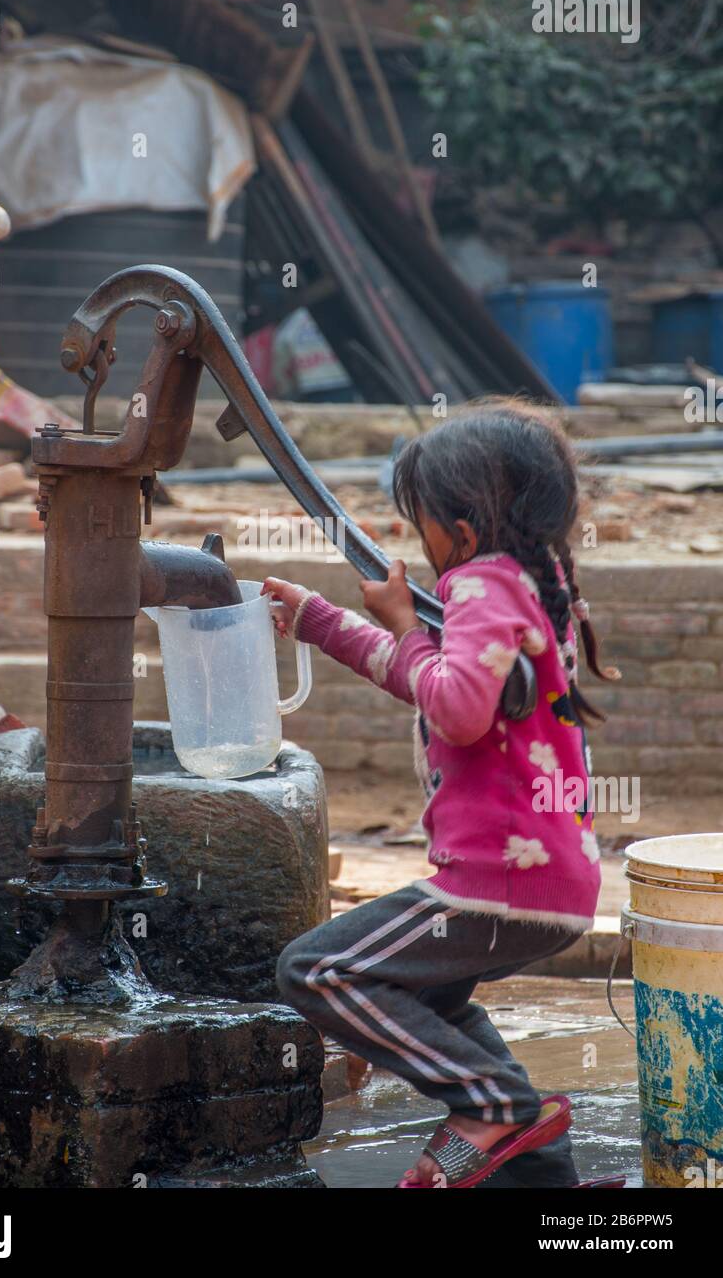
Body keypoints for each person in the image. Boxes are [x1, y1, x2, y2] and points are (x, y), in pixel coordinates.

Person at [264, 399, 619, 1189]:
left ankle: (490, 1105)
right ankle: (545, 1182)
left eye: (419, 521)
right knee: (438, 1007)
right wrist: (322, 621)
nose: (417, 542)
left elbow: (452, 710)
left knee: (320, 971)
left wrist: (403, 621)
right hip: (545, 880)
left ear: (460, 527)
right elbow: (432, 680)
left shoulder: (480, 585)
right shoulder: (534, 582)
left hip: (497, 882)